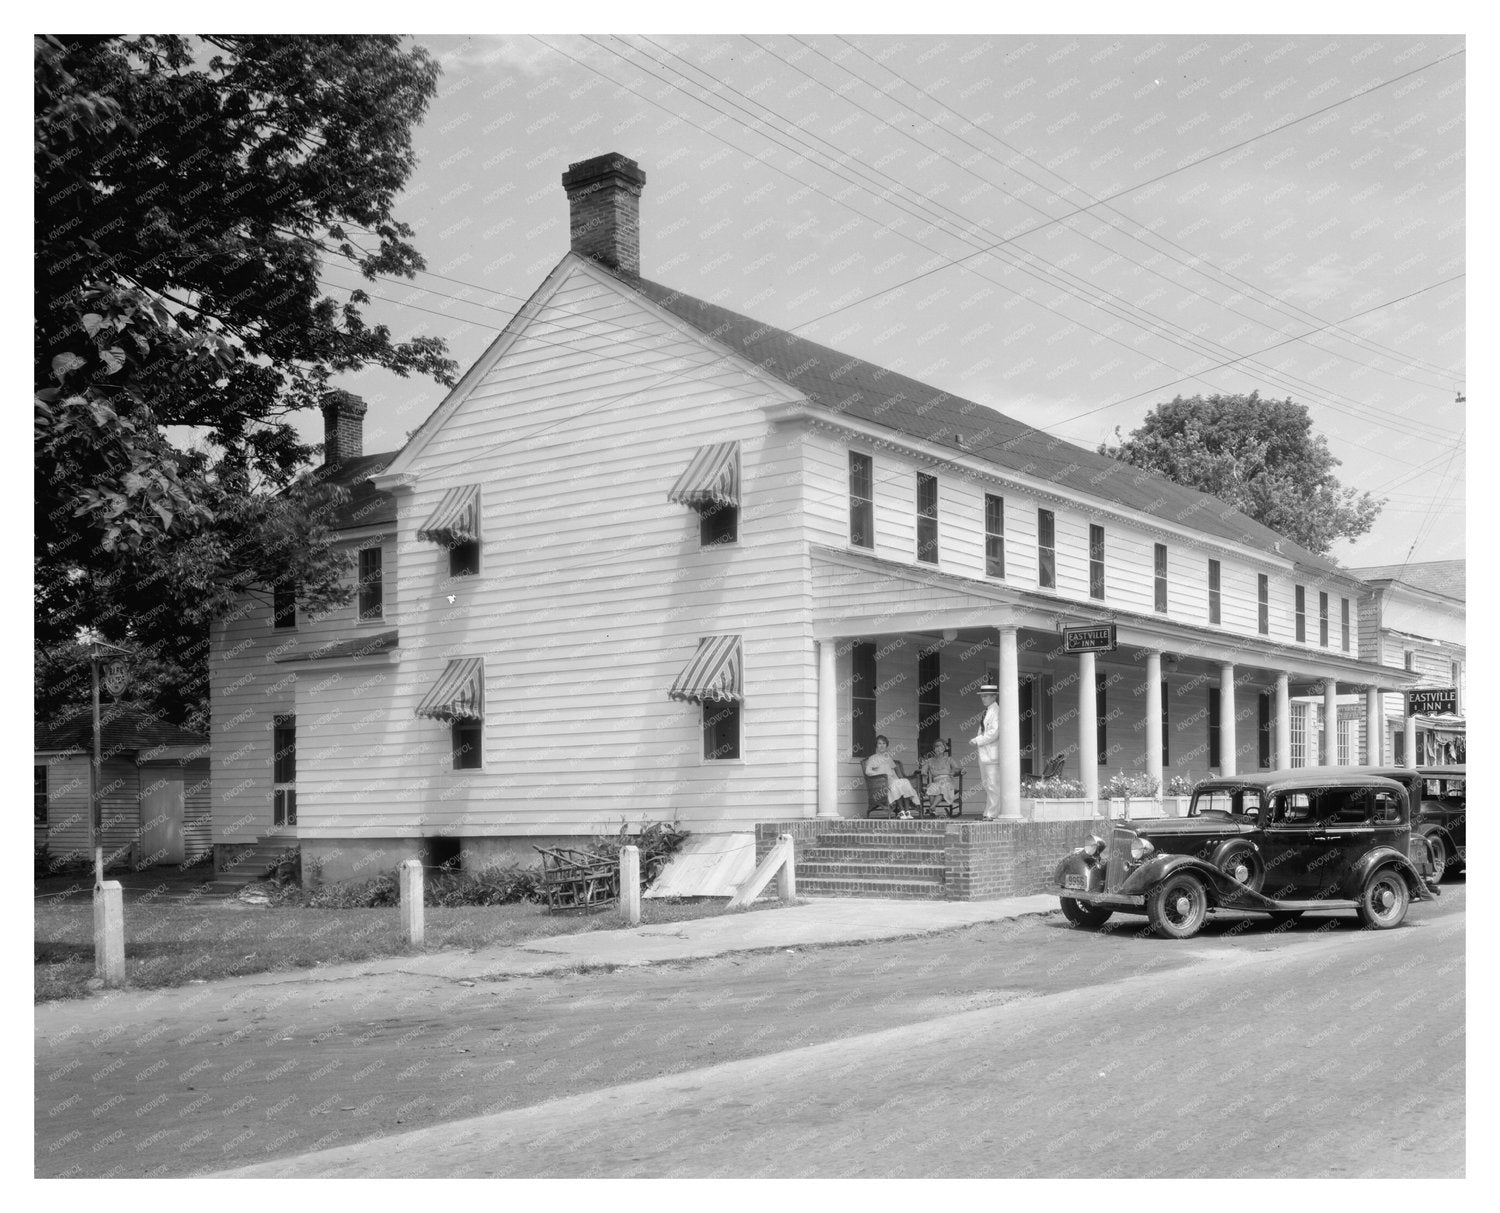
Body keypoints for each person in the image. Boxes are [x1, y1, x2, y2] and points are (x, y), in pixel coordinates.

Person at [864, 735, 920, 818]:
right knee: (898, 785)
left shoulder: (888, 757)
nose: (882, 745)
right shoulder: (872, 758)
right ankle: (901, 811)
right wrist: (881, 774)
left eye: (884, 743)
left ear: (886, 745)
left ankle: (907, 812)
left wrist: (899, 779)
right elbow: (868, 771)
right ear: (876, 745)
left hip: (893, 780)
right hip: (882, 783)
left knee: (904, 782)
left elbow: (893, 772)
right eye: (879, 743)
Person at [970, 683, 1001, 819]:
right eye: (982, 696)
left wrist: (978, 740)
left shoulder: (996, 711)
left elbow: (994, 733)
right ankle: (988, 812)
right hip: (985, 754)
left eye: (986, 696)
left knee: (993, 785)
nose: (983, 698)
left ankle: (993, 813)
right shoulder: (988, 710)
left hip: (992, 755)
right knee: (988, 785)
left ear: (994, 697)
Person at [920, 740, 960, 816]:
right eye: (936, 746)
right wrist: (924, 772)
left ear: (944, 748)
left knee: (943, 787)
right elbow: (924, 769)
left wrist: (953, 772)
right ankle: (933, 810)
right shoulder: (930, 760)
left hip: (947, 781)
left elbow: (956, 768)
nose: (938, 748)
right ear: (934, 749)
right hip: (936, 781)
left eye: (940, 746)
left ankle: (931, 808)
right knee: (931, 788)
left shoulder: (949, 759)